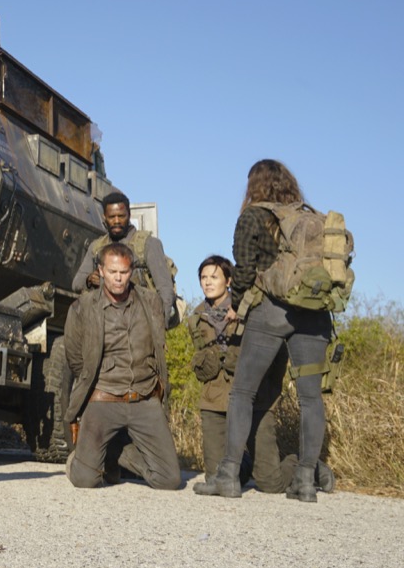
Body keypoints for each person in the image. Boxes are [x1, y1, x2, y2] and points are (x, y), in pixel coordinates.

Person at [195, 159, 333, 503]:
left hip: (271, 310)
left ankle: (227, 475)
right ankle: (305, 479)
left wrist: (238, 306)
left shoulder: (254, 215)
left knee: (243, 392)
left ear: (253, 185)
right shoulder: (310, 216)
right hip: (315, 314)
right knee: (311, 398)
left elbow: (242, 270)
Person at [63, 242, 181, 490]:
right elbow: (74, 356)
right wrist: (92, 385)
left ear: (132, 271)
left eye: (124, 272)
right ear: (101, 271)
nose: (118, 278)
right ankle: (85, 458)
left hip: (144, 396)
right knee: (85, 480)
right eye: (113, 271)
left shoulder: (151, 303)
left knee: (169, 480)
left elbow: (161, 341)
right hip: (103, 397)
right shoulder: (82, 307)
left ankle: (113, 451)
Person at [188, 255, 287, 493]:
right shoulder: (196, 317)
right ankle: (244, 464)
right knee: (215, 479)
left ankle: (308, 466)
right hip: (214, 399)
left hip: (254, 401)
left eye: (214, 277)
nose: (208, 282)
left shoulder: (250, 309)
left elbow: (275, 354)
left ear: (229, 281)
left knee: (271, 483)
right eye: (203, 277)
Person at [72, 191, 176, 328]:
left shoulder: (148, 244)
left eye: (121, 216)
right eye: (112, 217)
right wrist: (90, 280)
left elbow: (165, 290)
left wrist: (159, 328)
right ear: (104, 217)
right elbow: (76, 284)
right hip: (106, 325)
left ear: (129, 215)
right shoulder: (97, 247)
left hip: (140, 324)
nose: (116, 221)